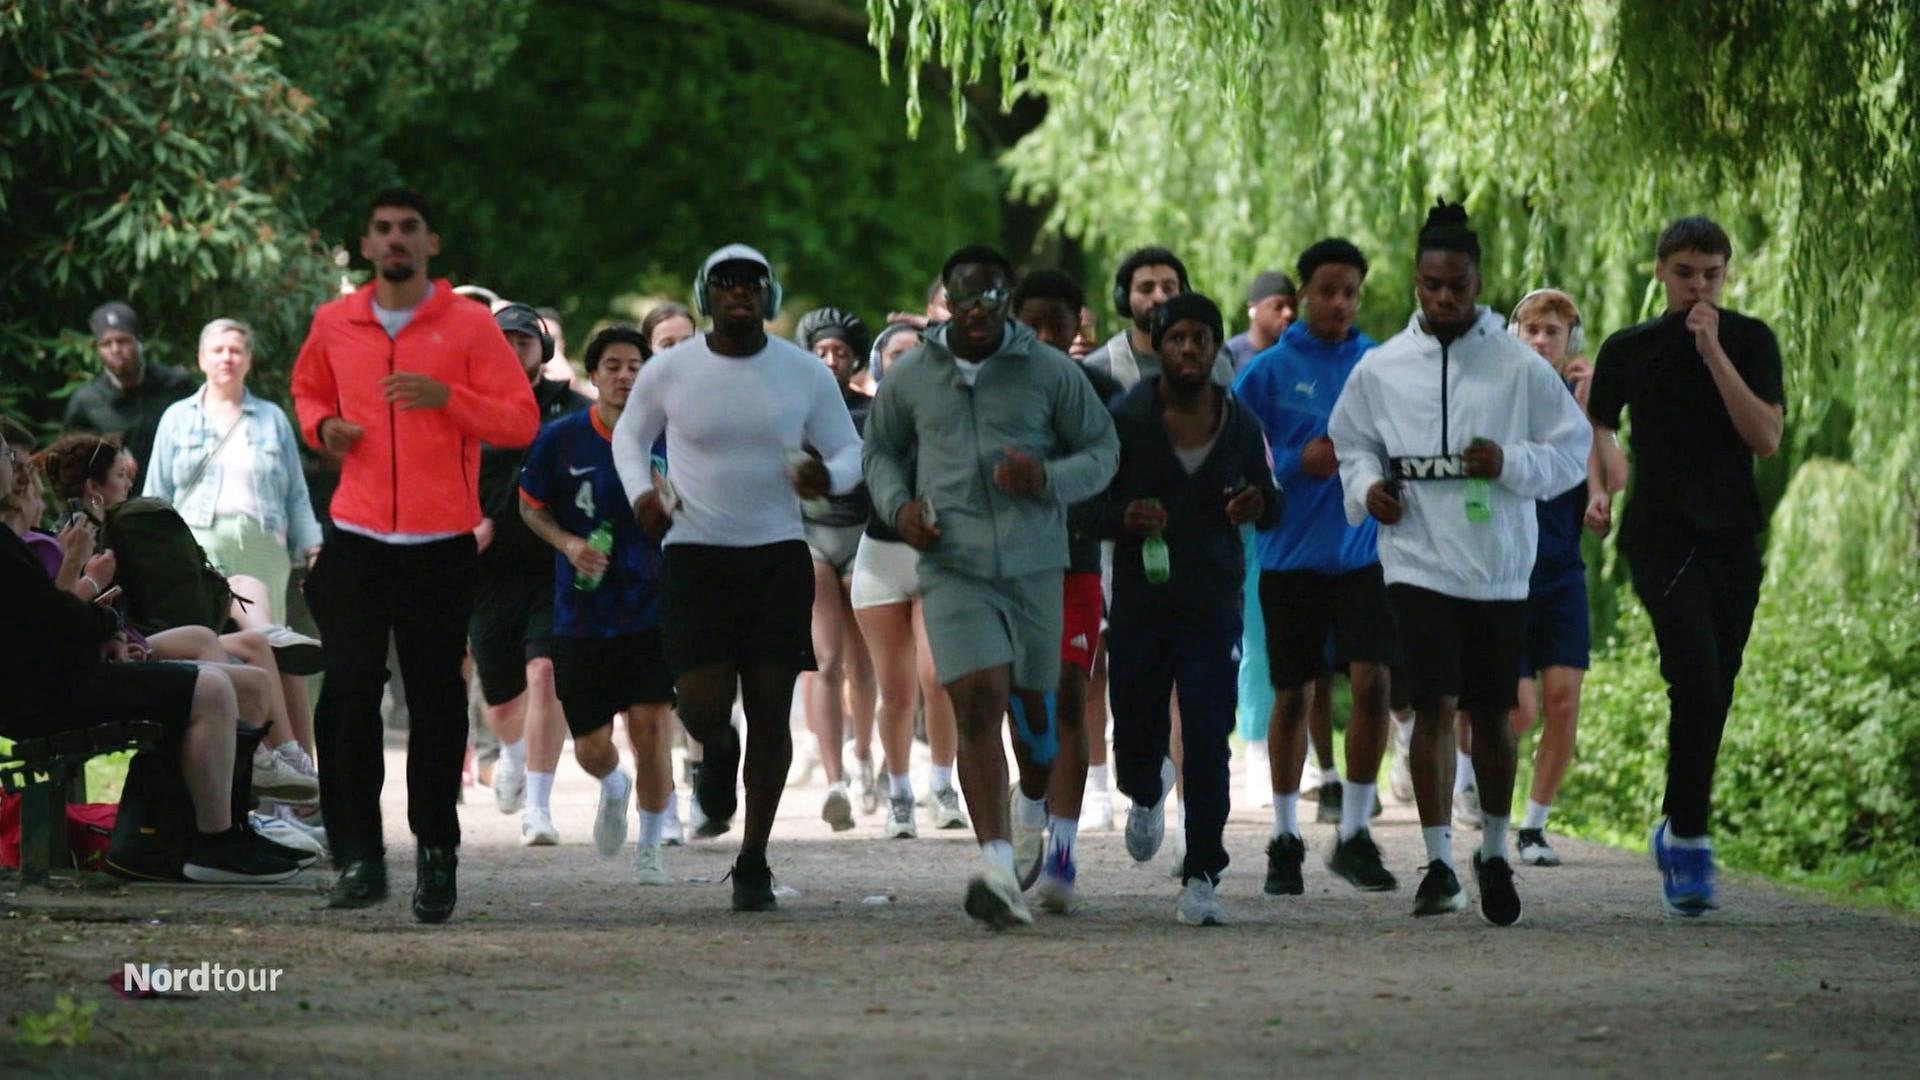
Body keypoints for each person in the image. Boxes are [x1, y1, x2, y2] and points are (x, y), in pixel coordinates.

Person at [1327, 200, 1589, 927]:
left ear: (1479, 282)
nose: (1445, 299)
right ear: (1416, 281)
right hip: (1414, 556)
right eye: (1432, 286)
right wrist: (1366, 488)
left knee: (1491, 708)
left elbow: (1569, 451)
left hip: (1499, 561)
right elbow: (1350, 442)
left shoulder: (1516, 364)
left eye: (1459, 287)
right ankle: (1440, 861)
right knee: (1435, 702)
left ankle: (1496, 850)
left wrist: (1511, 462)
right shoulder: (1383, 368)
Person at [291, 187, 541, 922]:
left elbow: (519, 419)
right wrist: (322, 426)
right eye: (382, 229)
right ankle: (358, 857)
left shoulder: (466, 324)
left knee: (434, 704)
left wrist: (447, 398)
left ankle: (437, 855)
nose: (395, 239)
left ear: (430, 243)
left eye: (408, 229)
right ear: (367, 246)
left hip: (440, 542)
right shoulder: (334, 322)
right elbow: (308, 394)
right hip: (358, 537)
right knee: (348, 698)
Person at [864, 244, 1118, 929]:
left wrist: (1047, 481)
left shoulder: (1048, 372)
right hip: (952, 563)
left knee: (1036, 723)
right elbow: (880, 451)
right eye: (966, 298)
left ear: (1008, 300)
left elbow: (1103, 450)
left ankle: (1031, 799)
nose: (979, 312)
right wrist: (900, 508)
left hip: (1038, 567)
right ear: (945, 299)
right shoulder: (913, 374)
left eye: (993, 299)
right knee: (976, 700)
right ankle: (997, 868)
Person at [611, 243, 861, 911]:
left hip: (777, 552)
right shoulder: (670, 369)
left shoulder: (803, 373)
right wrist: (642, 496)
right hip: (694, 552)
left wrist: (826, 477)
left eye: (751, 283)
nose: (739, 292)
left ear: (770, 296)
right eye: (725, 283)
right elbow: (629, 437)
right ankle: (717, 755)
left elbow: (848, 451)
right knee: (699, 703)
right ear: (705, 294)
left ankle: (753, 856)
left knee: (773, 707)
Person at [0, 421, 301, 884]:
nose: (19, 472)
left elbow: (46, 622)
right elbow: (52, 624)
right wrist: (101, 615)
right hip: (44, 695)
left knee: (222, 679)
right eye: (9, 459)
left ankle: (192, 835)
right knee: (211, 687)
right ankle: (213, 841)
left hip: (48, 684)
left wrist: (106, 632)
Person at [1586, 216, 1784, 916]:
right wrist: (1598, 489)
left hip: (1733, 535)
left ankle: (1675, 823)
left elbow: (1764, 437)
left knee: (1717, 686)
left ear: (1726, 275)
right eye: (1685, 273)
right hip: (1661, 534)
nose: (1698, 286)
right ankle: (1693, 844)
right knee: (1694, 673)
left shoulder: (1752, 340)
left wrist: (1714, 354)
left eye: (1711, 274)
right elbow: (1598, 427)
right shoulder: (1631, 349)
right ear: (1660, 273)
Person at [1105, 293, 1282, 926]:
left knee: (1209, 734)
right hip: (1141, 602)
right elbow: (1088, 505)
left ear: (1215, 347)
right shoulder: (1126, 417)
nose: (1187, 348)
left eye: (1200, 338)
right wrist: (1124, 516)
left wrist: (1257, 504)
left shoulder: (1239, 422)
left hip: (1212, 600)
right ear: (1158, 342)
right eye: (1175, 337)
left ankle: (1203, 870)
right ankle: (1145, 789)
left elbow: (1274, 497)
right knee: (1135, 726)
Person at [1232, 238, 1401, 897]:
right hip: (1290, 559)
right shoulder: (1267, 373)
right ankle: (1283, 835)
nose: (1338, 302)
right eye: (1326, 290)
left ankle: (1355, 833)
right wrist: (1301, 462)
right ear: (1301, 295)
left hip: (1365, 556)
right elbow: (1239, 462)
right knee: (1294, 696)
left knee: (1373, 686)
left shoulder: (1381, 365)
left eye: (1349, 292)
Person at [519, 324, 678, 883]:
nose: (625, 376)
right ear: (593, 375)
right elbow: (529, 504)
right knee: (590, 745)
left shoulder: (671, 438)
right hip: (581, 614)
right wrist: (568, 544)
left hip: (652, 608)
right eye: (612, 366)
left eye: (635, 366)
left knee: (652, 728)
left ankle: (652, 846)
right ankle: (613, 785)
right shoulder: (561, 439)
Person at [1502, 288, 1627, 866]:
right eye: (1533, 330)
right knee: (1517, 711)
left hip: (1560, 573)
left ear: (1569, 341)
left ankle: (1533, 826)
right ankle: (1467, 783)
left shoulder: (1579, 401)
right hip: (1505, 571)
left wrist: (1594, 408)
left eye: (1554, 332)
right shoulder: (1505, 396)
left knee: (1563, 701)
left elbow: (1616, 474)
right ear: (1516, 336)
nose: (1543, 341)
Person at [1011, 267, 1123, 908]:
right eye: (1032, 324)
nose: (1046, 335)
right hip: (1007, 570)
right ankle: (1028, 801)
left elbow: (1118, 477)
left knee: (1072, 691)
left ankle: (1062, 848)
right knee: (1023, 706)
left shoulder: (1102, 392)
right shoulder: (992, 391)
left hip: (1077, 565)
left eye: (1058, 323)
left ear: (1079, 324)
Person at [469, 302, 590, 846]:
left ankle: (538, 808)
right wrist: (464, 520)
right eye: (504, 341)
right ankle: (513, 756)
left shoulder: (571, 410)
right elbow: (442, 469)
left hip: (554, 564)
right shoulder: (466, 406)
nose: (514, 349)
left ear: (542, 350)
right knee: (499, 697)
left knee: (545, 673)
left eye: (524, 341)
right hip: (489, 570)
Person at [848, 323, 970, 840]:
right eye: (897, 354)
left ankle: (942, 785)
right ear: (879, 365)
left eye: (916, 354)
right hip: (879, 558)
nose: (908, 363)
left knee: (938, 678)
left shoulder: (952, 416)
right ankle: (898, 792)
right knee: (895, 692)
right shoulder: (863, 419)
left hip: (936, 559)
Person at [144, 318, 325, 627]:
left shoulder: (273, 418)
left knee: (268, 640)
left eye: (236, 350)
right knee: (205, 637)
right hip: (196, 547)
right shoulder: (176, 418)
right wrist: (149, 552)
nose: (227, 357)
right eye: (218, 350)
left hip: (264, 545)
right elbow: (156, 495)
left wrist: (313, 547)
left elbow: (296, 493)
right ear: (202, 359)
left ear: (248, 360)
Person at [794, 307, 881, 828]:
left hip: (864, 536)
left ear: (855, 360)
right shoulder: (791, 413)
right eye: (821, 353)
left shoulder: (873, 413)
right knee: (826, 660)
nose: (830, 361)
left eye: (840, 352)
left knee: (863, 660)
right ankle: (835, 781)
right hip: (811, 538)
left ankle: (865, 754)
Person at [62, 301, 195, 478]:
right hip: (119, 503)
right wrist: (108, 461)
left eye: (123, 341)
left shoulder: (176, 385)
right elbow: (69, 464)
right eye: (106, 344)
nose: (116, 349)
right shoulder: (86, 401)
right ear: (97, 349)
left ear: (139, 342)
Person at [1084, 247, 1236, 389]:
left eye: (1168, 288)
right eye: (1146, 289)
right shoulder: (1100, 367)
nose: (1159, 297)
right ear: (1125, 299)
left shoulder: (1216, 360)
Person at [1226, 270, 1298, 373]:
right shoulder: (1230, 355)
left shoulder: (1301, 356)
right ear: (1253, 309)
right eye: (1278, 306)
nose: (1288, 313)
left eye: (1293, 306)